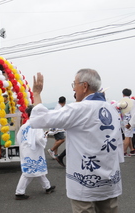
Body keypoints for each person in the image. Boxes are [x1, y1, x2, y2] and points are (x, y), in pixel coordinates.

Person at [30, 69, 123, 212]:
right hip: (109, 179)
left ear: (84, 86)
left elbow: (41, 119)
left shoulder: (79, 109)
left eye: (74, 84)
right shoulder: (112, 109)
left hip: (85, 182)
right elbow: (118, 145)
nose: (74, 88)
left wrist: (36, 94)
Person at [14, 105, 55, 200]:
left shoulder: (24, 126)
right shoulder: (37, 126)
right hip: (34, 151)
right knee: (28, 172)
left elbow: (19, 138)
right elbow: (39, 138)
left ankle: (47, 187)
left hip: (26, 150)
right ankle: (19, 192)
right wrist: (45, 138)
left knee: (37, 170)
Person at [120, 88, 135, 157]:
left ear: (123, 94)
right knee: (128, 136)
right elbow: (133, 113)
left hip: (122, 120)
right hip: (129, 120)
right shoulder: (132, 101)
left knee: (128, 135)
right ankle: (124, 152)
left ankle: (132, 149)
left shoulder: (121, 101)